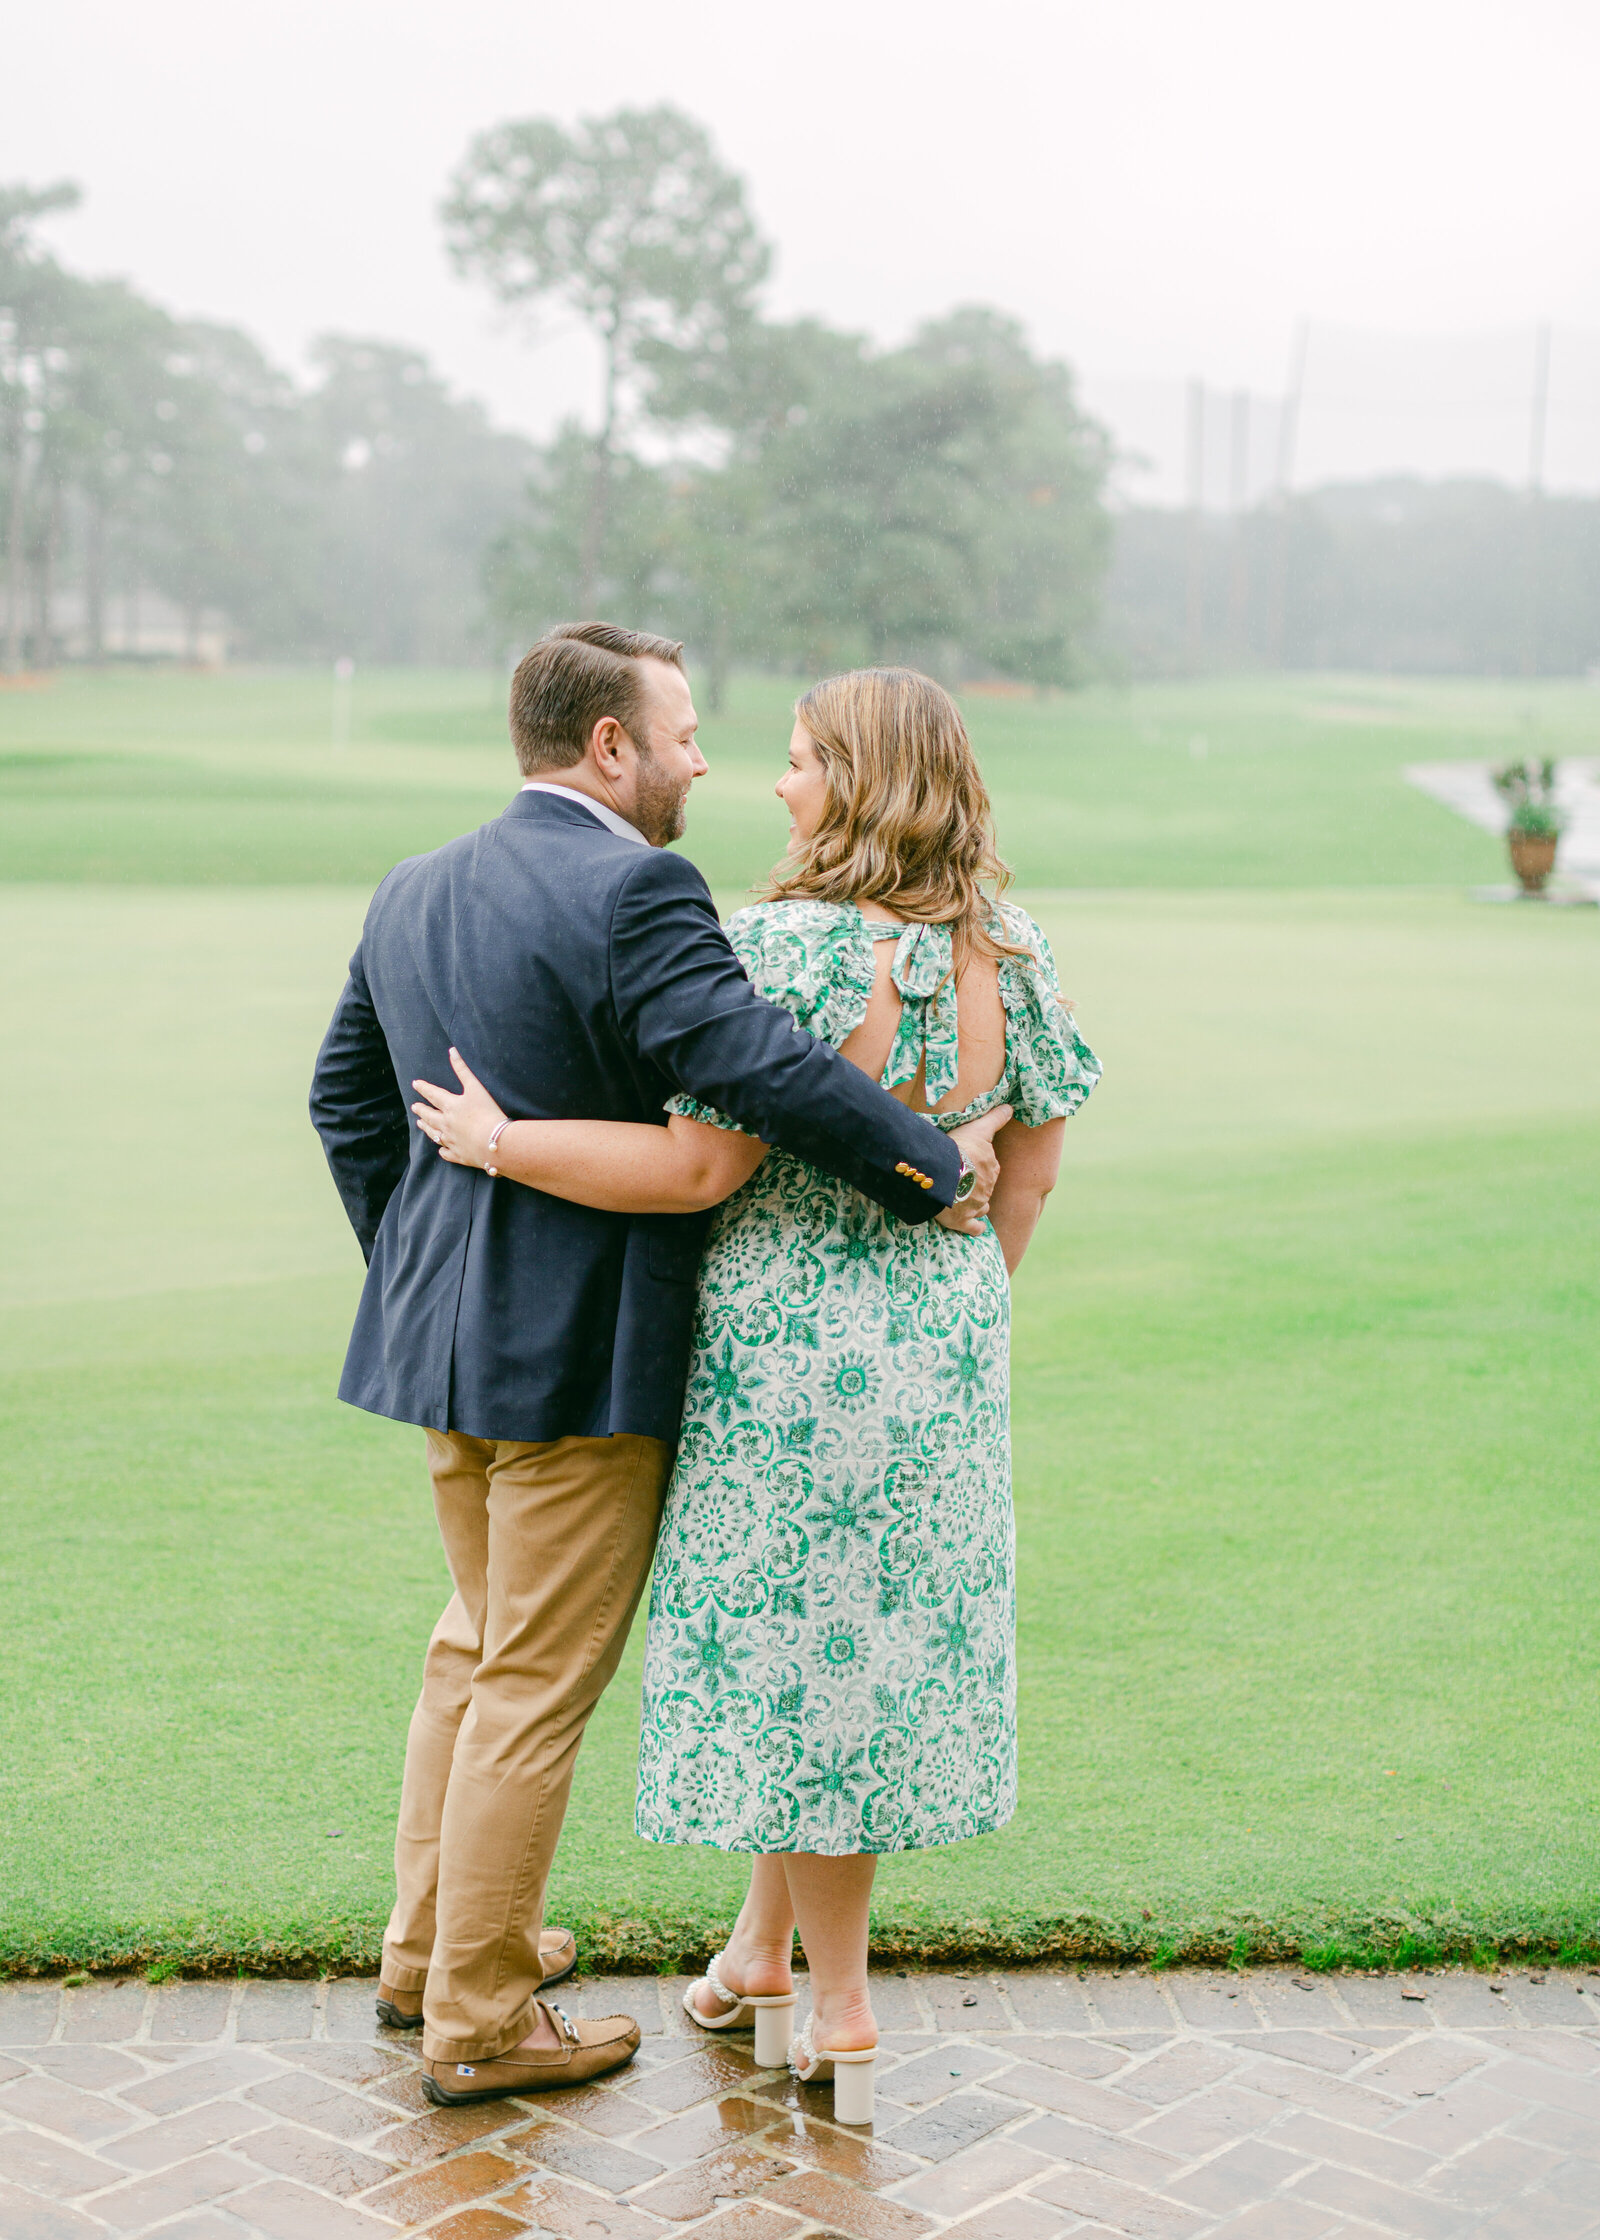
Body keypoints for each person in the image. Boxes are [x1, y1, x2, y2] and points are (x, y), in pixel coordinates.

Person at [309, 626, 1012, 2108]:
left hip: (441, 1341)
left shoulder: (413, 882)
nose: (707, 762)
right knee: (536, 1685)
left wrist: (428, 1269)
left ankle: (426, 1944)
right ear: (610, 747)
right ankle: (482, 2017)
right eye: (684, 733)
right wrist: (926, 1167)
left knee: (473, 1646)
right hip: (571, 1356)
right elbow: (749, 1064)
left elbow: (344, 1105)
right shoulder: (639, 886)